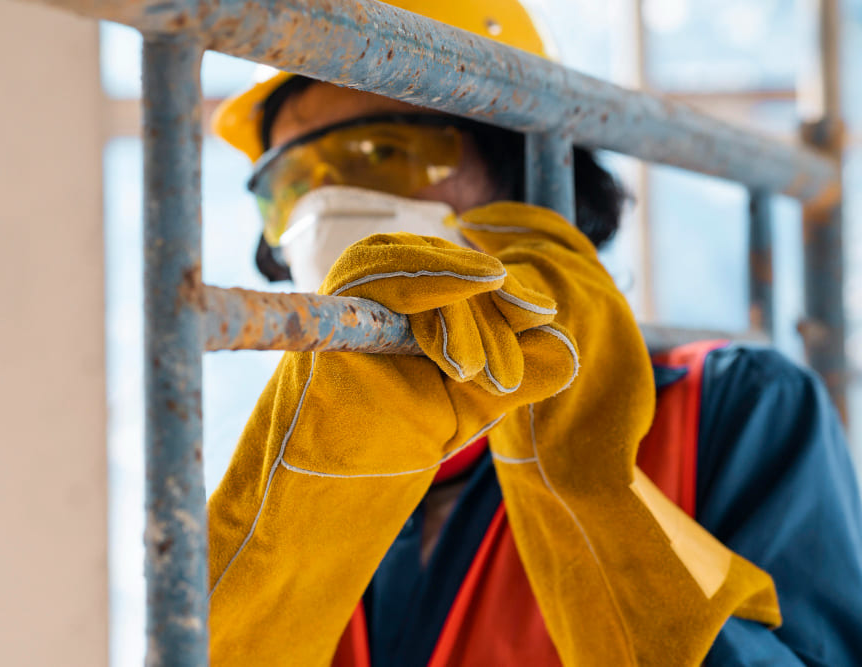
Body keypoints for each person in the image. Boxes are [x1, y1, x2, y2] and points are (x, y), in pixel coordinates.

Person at [206, 1, 862, 665]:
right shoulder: (299, 460)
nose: (324, 209)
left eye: (382, 153)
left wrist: (593, 498)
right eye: (290, 187)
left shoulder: (727, 408)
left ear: (518, 170)